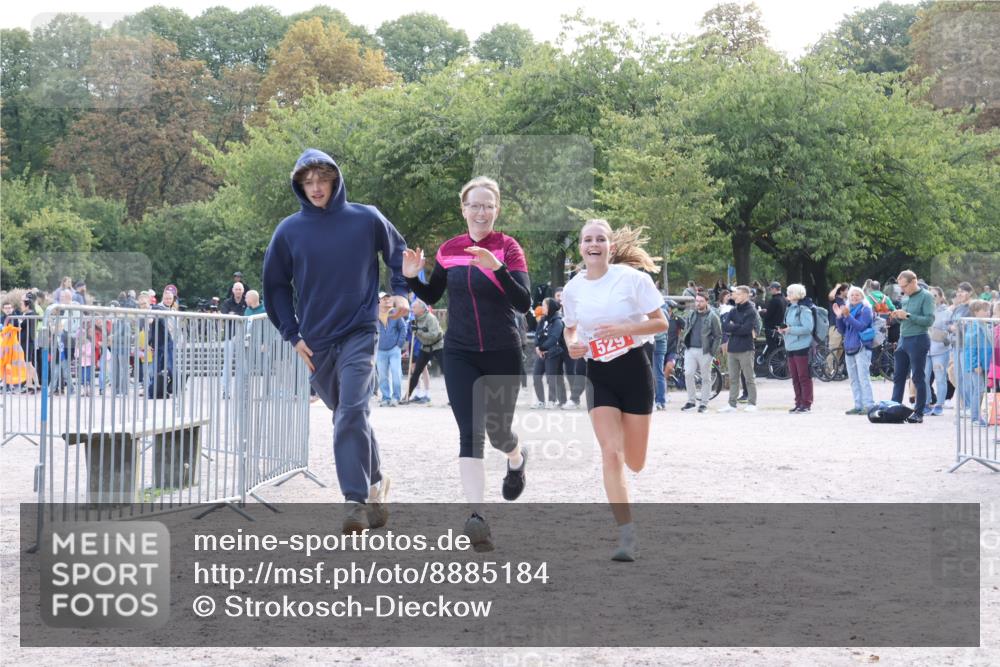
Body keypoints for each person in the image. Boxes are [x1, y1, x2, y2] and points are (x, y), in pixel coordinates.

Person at [263, 148, 406, 534]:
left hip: (361, 330)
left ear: (334, 179)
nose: (315, 188)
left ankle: (354, 502)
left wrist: (402, 292)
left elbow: (400, 256)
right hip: (315, 341)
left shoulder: (366, 218)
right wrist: (292, 336)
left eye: (321, 180)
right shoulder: (288, 231)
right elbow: (274, 287)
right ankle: (377, 484)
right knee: (348, 414)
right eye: (307, 183)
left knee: (351, 412)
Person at [402, 176, 531, 552]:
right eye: (473, 205)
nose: (480, 211)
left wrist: (498, 268)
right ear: (463, 209)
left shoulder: (508, 247)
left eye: (487, 205)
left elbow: (522, 303)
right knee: (470, 432)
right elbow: (432, 293)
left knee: (498, 432)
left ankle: (515, 457)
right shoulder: (450, 249)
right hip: (459, 350)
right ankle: (477, 517)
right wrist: (413, 279)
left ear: (497, 209)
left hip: (502, 351)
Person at [561, 220, 666, 562]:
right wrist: (574, 345)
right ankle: (626, 534)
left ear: (610, 246)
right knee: (611, 453)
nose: (594, 244)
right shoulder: (574, 288)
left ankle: (628, 511)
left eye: (600, 239)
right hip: (598, 374)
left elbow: (661, 322)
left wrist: (625, 327)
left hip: (634, 368)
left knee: (635, 462)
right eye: (587, 239)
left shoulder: (633, 279)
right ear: (581, 247)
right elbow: (571, 330)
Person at [889, 270, 935, 423]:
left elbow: (929, 320)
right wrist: (899, 316)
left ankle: (919, 412)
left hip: (918, 339)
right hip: (903, 338)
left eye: (905, 286)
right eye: (900, 286)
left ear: (914, 282)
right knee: (898, 376)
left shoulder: (927, 296)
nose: (903, 289)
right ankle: (894, 408)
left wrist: (907, 315)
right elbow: (905, 319)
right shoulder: (905, 297)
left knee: (918, 377)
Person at [834, 286, 876, 415]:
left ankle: (868, 405)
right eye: (852, 295)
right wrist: (839, 317)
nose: (854, 297)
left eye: (857, 295)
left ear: (862, 297)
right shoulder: (849, 310)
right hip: (849, 347)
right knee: (853, 378)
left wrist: (847, 316)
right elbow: (842, 330)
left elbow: (861, 326)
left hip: (862, 347)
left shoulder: (866, 309)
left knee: (863, 377)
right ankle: (858, 405)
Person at [680, 293, 722, 413]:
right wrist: (684, 343)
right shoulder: (691, 314)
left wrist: (712, 352)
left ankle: (704, 403)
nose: (698, 303)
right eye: (697, 301)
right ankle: (691, 401)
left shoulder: (713, 316)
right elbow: (687, 329)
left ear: (707, 302)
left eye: (701, 301)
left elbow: (718, 335)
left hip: (705, 351)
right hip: (690, 349)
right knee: (688, 374)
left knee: (706, 378)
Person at [719, 286, 758, 412]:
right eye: (735, 294)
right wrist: (738, 326)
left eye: (739, 294)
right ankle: (732, 404)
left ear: (746, 295)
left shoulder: (751, 311)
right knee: (733, 378)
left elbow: (746, 329)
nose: (735, 296)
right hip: (732, 348)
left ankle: (752, 403)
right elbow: (724, 326)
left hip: (746, 348)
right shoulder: (733, 310)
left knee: (749, 377)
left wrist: (733, 327)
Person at [777, 284, 815, 413]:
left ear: (797, 293)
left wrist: (790, 329)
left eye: (790, 291)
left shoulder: (804, 309)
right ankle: (798, 402)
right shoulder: (789, 308)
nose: (787, 293)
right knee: (794, 377)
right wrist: (783, 330)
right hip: (790, 345)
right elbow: (789, 325)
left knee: (803, 376)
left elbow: (808, 328)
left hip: (802, 346)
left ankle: (806, 403)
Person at [958, 300, 994, 426]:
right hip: (977, 365)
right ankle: (975, 418)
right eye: (984, 310)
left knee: (981, 390)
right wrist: (975, 364)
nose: (988, 313)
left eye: (988, 310)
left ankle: (979, 416)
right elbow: (971, 348)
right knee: (978, 390)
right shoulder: (974, 326)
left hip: (984, 364)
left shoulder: (984, 325)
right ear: (976, 312)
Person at [404, 299, 444, 404]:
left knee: (448, 372)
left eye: (414, 308)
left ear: (422, 309)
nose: (412, 310)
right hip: (425, 347)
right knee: (416, 372)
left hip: (438, 346)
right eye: (412, 308)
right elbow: (414, 334)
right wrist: (414, 330)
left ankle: (455, 399)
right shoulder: (414, 319)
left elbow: (434, 335)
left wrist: (418, 331)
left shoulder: (431, 318)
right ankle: (407, 396)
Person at [531, 297, 566, 409]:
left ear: (550, 307)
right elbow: (537, 333)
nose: (542, 307)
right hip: (541, 352)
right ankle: (541, 401)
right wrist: (537, 346)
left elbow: (553, 338)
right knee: (536, 376)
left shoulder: (558, 321)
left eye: (544, 305)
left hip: (553, 353)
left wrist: (541, 347)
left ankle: (552, 400)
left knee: (551, 378)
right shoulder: (543, 319)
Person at [376, 292, 407, 407]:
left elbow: (403, 328)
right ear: (378, 302)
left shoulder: (395, 313)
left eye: (388, 298)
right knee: (383, 376)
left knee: (396, 373)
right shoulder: (373, 315)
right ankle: (385, 397)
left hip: (394, 349)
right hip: (380, 351)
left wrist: (399, 345)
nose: (387, 300)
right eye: (384, 299)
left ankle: (396, 397)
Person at [924, 286, 951, 416]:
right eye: (930, 296)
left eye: (935, 295)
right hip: (925, 349)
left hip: (940, 349)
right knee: (924, 377)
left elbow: (952, 331)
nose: (932, 298)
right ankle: (927, 403)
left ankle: (939, 404)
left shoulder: (947, 312)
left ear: (941, 297)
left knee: (940, 378)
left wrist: (944, 336)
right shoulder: (924, 310)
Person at [220, 282, 248, 399]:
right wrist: (238, 316)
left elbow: (245, 315)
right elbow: (225, 316)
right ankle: (226, 391)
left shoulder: (246, 302)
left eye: (240, 289)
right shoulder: (227, 302)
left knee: (243, 364)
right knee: (227, 364)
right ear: (232, 290)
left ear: (243, 291)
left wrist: (234, 314)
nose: (238, 291)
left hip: (242, 337)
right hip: (229, 336)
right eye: (236, 289)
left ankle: (243, 389)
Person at [762, 281, 788, 355]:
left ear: (774, 289)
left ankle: (773, 364)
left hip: (771, 327)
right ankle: (779, 362)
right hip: (781, 326)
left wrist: (762, 313)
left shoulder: (774, 300)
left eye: (770, 289)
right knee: (779, 346)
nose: (769, 291)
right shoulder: (784, 299)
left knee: (772, 348)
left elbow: (768, 315)